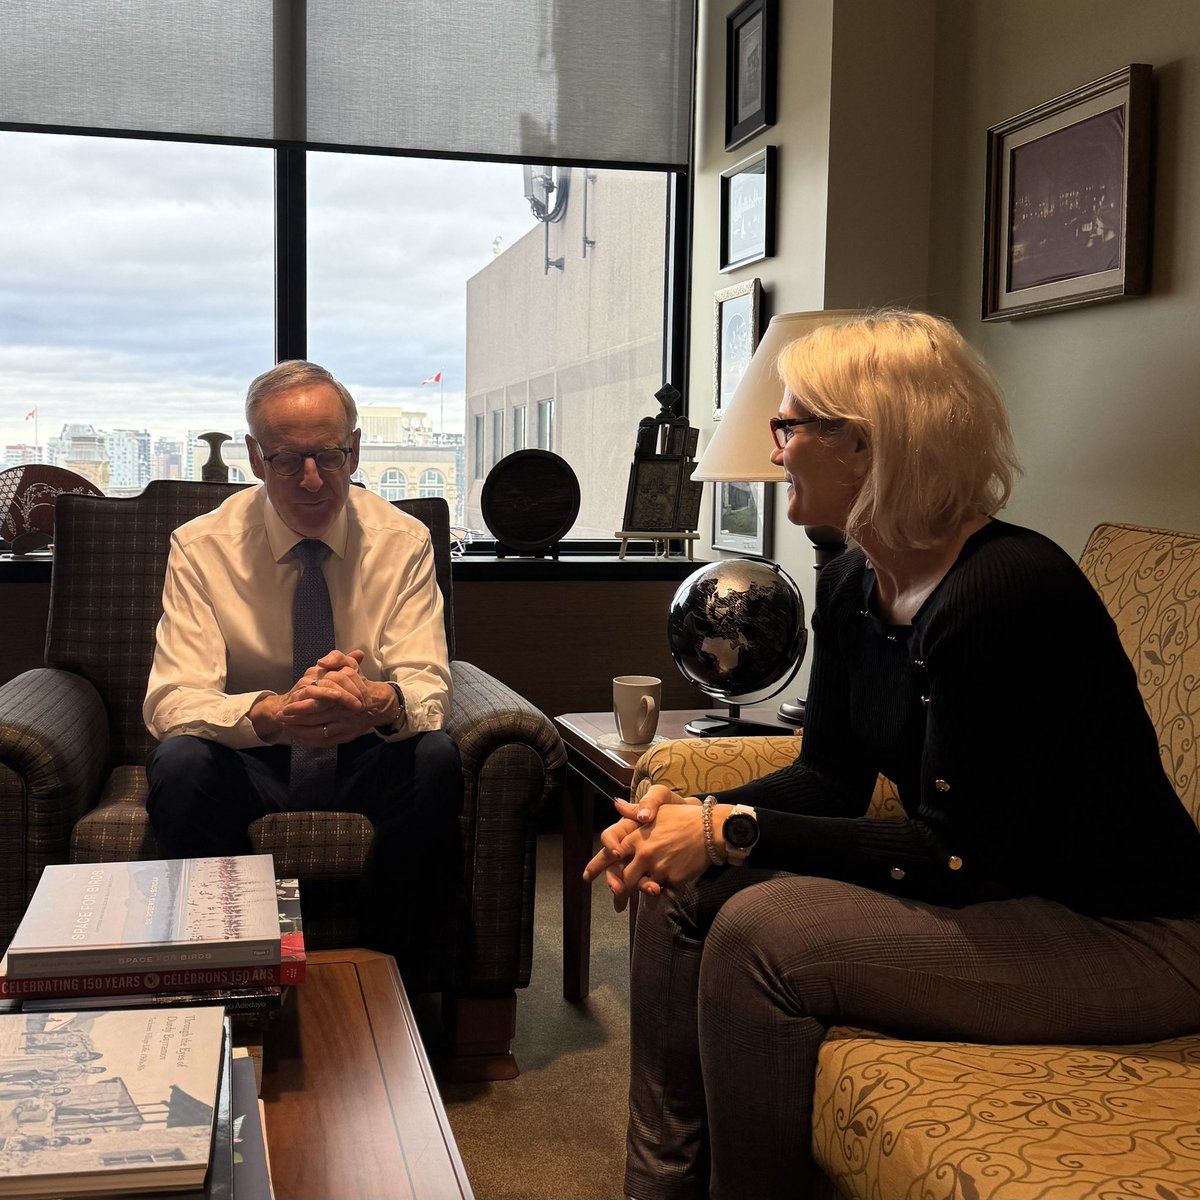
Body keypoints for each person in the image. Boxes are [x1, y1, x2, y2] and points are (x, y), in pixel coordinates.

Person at [584, 310, 1200, 1200]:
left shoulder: (1006, 594)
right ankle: (661, 1187)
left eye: (789, 425)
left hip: (1131, 936)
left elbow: (951, 854)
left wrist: (726, 827)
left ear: (866, 447)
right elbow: (830, 776)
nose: (776, 444)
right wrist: (675, 820)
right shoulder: (850, 583)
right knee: (675, 886)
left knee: (762, 933)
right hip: (1008, 894)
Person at [144, 360, 462, 976]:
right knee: (180, 763)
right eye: (288, 460)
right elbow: (171, 699)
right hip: (252, 757)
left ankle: (393, 976)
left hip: (363, 752)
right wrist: (268, 712)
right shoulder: (200, 546)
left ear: (356, 449)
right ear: (256, 458)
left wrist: (376, 701)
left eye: (330, 457)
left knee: (435, 757)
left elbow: (427, 682)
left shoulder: (405, 541)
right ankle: (231, 975)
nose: (313, 481)